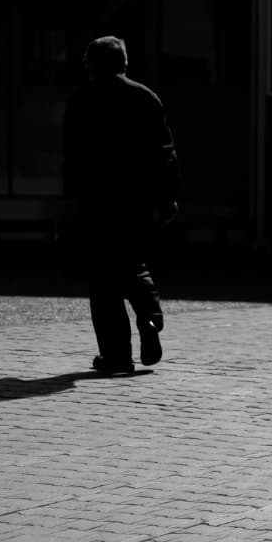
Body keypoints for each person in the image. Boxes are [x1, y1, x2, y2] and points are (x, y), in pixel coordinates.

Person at [61, 35, 180, 374]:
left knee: (102, 279)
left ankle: (116, 357)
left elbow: (74, 159)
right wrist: (167, 196)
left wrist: (71, 203)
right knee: (132, 262)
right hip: (138, 201)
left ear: (92, 66)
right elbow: (166, 154)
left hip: (97, 201)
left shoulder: (81, 101)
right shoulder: (146, 98)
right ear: (124, 63)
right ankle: (151, 320)